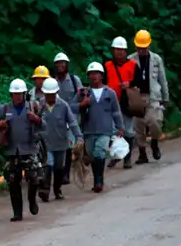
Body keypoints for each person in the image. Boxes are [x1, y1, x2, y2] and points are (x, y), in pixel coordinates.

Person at [0, 79, 45, 221]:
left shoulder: (33, 106)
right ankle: (17, 213)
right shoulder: (4, 109)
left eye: (20, 94)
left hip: (29, 149)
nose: (17, 96)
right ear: (11, 95)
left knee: (35, 178)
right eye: (15, 94)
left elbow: (44, 125)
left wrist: (36, 119)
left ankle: (32, 199)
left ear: (24, 94)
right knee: (13, 182)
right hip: (12, 151)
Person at [78, 62, 125, 193]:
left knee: (100, 152)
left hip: (105, 130)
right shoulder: (83, 93)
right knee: (92, 155)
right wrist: (82, 104)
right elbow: (72, 108)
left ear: (102, 76)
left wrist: (120, 127)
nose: (94, 76)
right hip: (89, 130)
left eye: (96, 74)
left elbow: (116, 111)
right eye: (91, 74)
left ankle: (99, 180)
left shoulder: (110, 93)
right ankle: (96, 180)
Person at [37, 78, 83, 201]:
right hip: (46, 142)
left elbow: (72, 122)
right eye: (47, 94)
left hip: (61, 142)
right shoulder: (40, 105)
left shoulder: (63, 105)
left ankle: (57, 189)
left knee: (58, 167)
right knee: (48, 164)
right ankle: (45, 190)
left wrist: (79, 137)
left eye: (52, 94)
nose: (49, 97)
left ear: (56, 92)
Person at [129, 29, 170, 163]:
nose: (141, 50)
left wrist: (165, 97)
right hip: (136, 97)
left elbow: (162, 79)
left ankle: (154, 142)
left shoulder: (156, 59)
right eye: (139, 48)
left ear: (149, 45)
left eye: (144, 47)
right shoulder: (130, 60)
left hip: (153, 96)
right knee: (138, 125)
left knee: (155, 122)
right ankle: (142, 153)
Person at [104, 36, 138, 170]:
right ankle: (116, 155)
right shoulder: (107, 66)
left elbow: (140, 82)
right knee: (112, 131)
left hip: (126, 102)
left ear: (125, 51)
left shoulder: (133, 65)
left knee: (128, 131)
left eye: (121, 49)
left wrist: (129, 84)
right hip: (111, 103)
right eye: (117, 49)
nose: (119, 52)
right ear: (113, 50)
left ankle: (127, 158)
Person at [53, 52, 84, 186]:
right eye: (58, 63)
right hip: (58, 119)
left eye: (63, 63)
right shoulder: (52, 82)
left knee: (69, 145)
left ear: (67, 65)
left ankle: (65, 174)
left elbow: (82, 97)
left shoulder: (74, 80)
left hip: (72, 118)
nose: (60, 65)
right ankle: (59, 172)